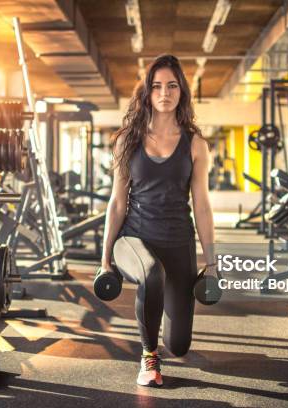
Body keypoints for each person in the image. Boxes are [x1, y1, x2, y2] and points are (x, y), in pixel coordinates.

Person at [100, 54, 216, 387]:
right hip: (134, 238)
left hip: (178, 243)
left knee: (178, 346)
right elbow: (117, 202)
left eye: (171, 86)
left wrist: (212, 262)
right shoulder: (128, 139)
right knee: (151, 274)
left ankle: (163, 333)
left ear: (181, 92)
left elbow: (203, 206)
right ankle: (149, 357)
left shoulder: (195, 145)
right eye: (156, 86)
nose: (164, 92)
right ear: (147, 93)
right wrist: (104, 259)